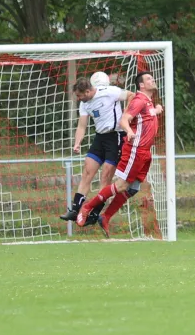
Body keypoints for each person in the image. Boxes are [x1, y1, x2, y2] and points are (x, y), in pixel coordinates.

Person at [76, 71, 163, 236]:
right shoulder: (139, 99)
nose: (153, 80)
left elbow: (147, 115)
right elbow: (124, 120)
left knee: (134, 188)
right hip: (136, 149)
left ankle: (105, 217)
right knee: (121, 185)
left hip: (146, 151)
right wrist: (129, 131)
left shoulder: (148, 102)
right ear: (142, 85)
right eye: (149, 79)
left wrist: (157, 110)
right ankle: (87, 208)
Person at [60, 73, 134, 227]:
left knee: (105, 176)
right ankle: (75, 210)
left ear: (87, 92)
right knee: (87, 171)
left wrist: (126, 116)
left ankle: (94, 213)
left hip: (116, 137)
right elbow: (82, 125)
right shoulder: (84, 103)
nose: (79, 99)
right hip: (100, 138)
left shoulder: (109, 92)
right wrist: (77, 143)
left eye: (80, 96)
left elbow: (131, 95)